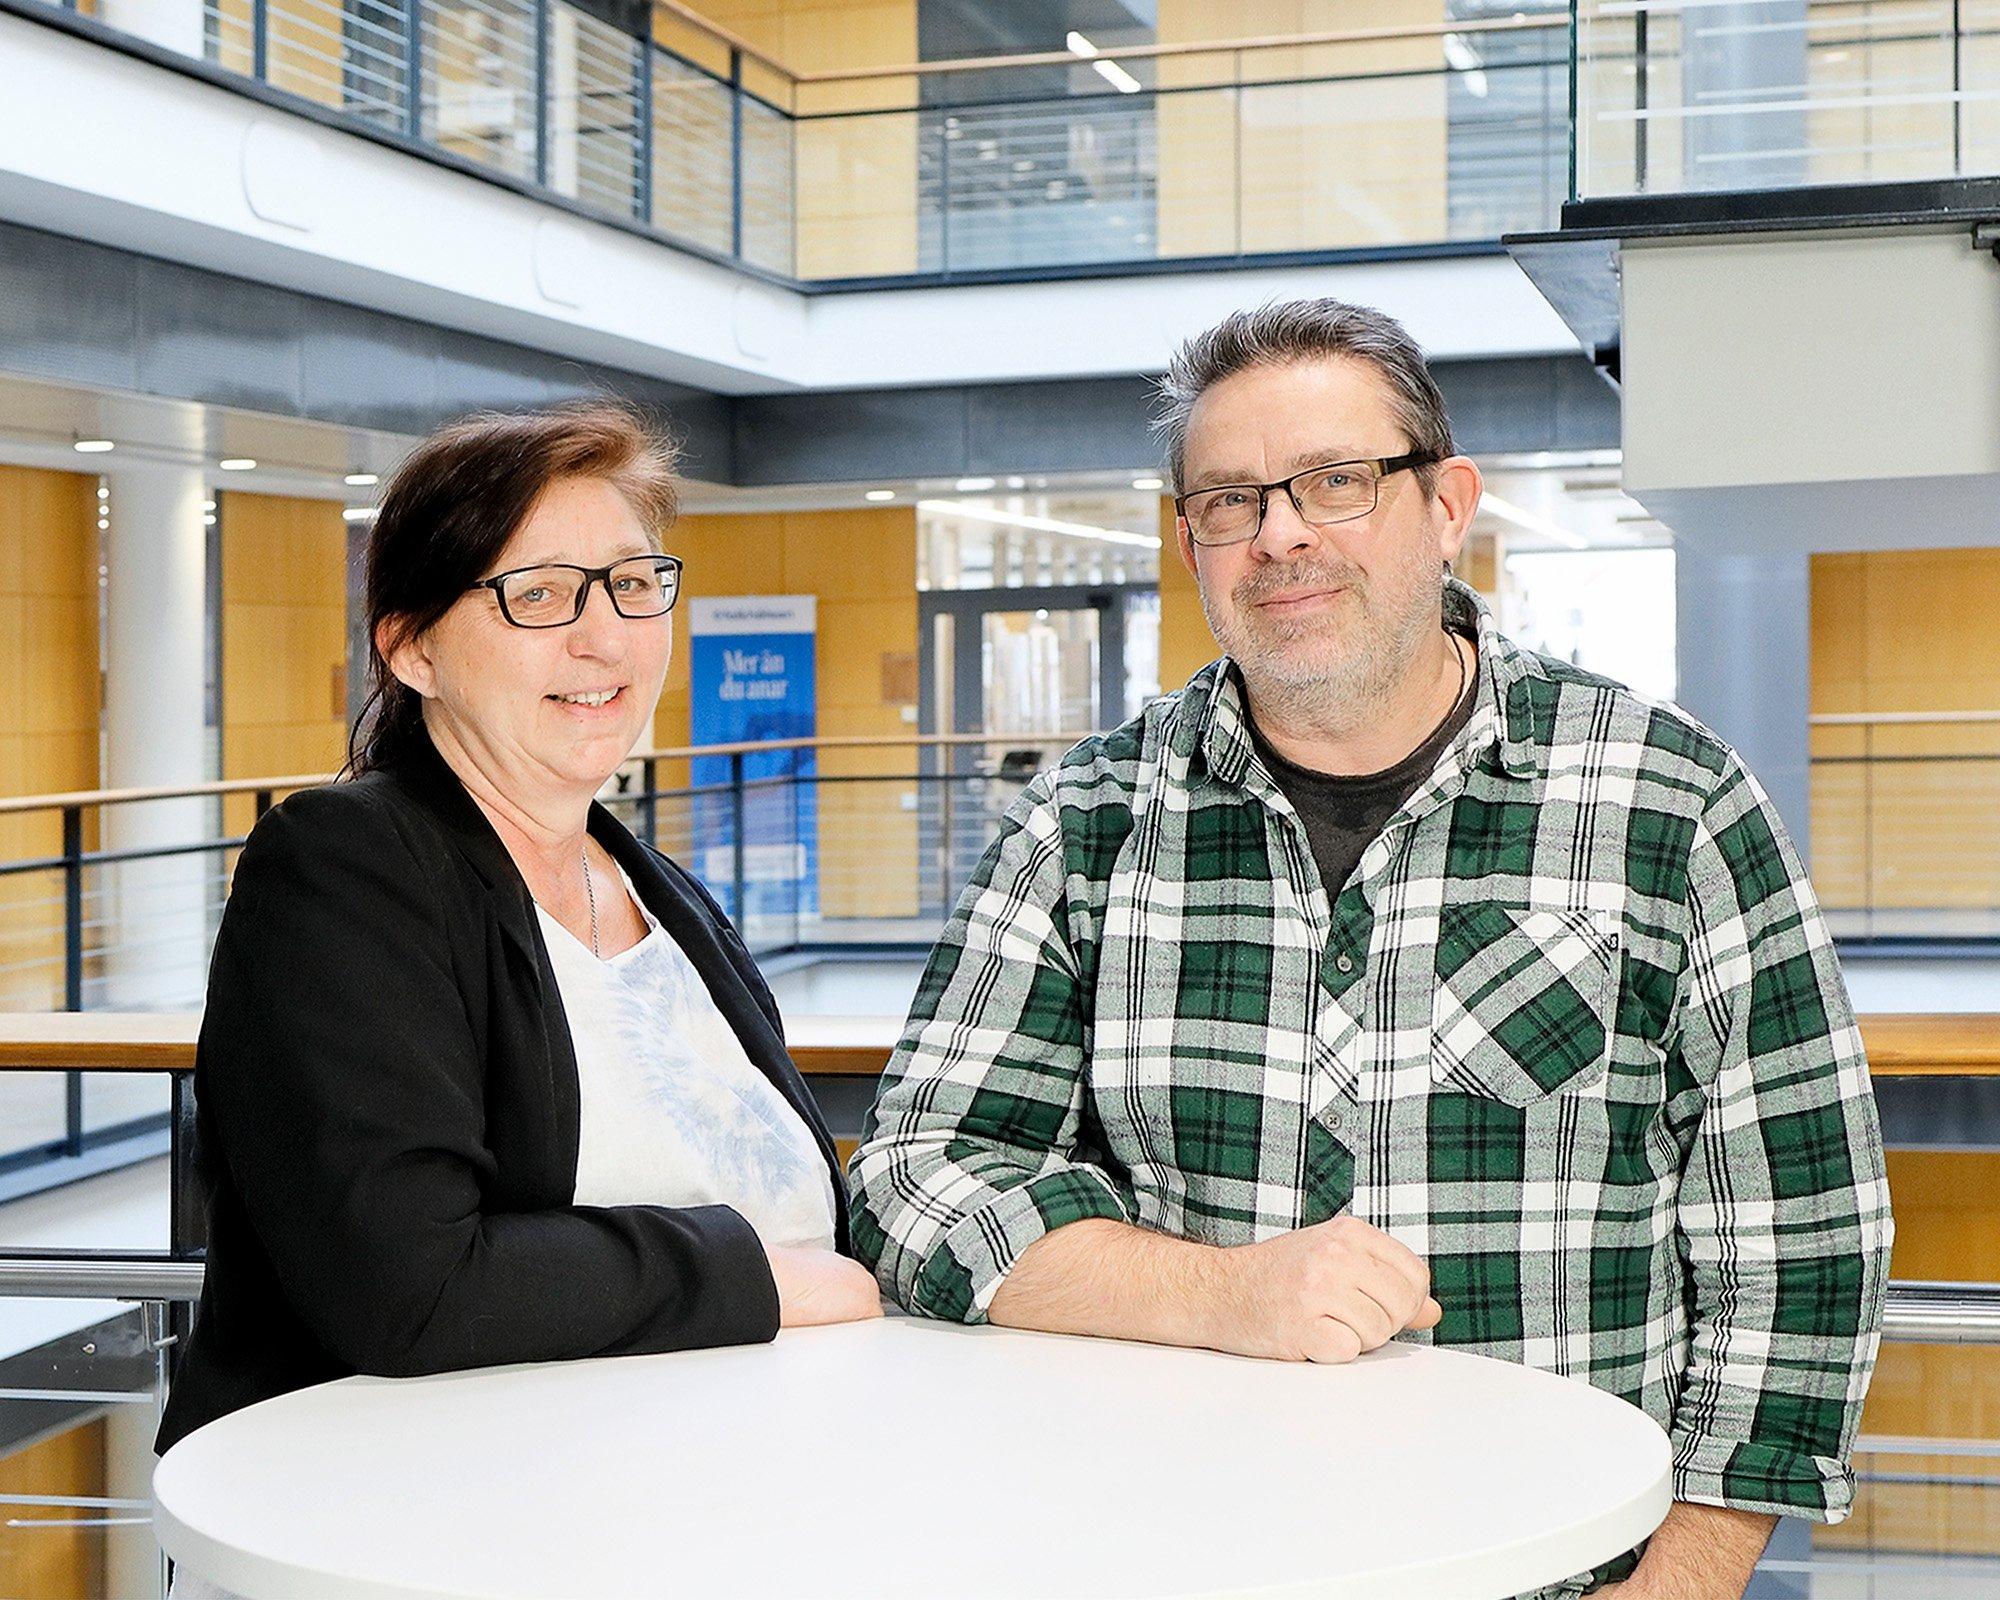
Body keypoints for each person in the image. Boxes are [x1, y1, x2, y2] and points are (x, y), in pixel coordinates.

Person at [851, 301, 1892, 1599]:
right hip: (1177, 1557)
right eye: (1230, 500)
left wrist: (1682, 1578)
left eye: (1338, 483)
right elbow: (913, 1178)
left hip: (1567, 1575)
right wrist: (1216, 1294)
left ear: (1448, 507)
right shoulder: (1086, 827)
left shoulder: (1667, 805)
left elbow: (1800, 1232)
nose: (1281, 533)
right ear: (1191, 544)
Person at [158, 402, 880, 1465]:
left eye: (632, 583)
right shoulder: (343, 866)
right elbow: (406, 1285)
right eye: (536, 594)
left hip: (712, 1509)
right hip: (411, 1530)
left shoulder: (663, 894)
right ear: (411, 650)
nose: (605, 635)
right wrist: (754, 1276)